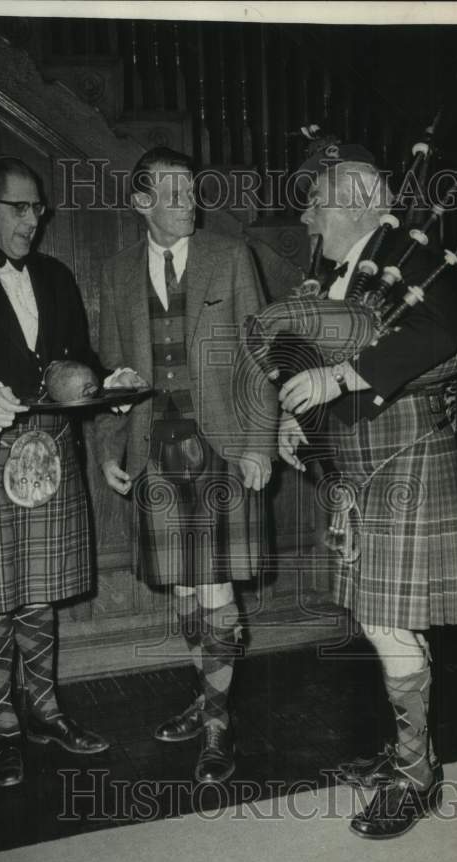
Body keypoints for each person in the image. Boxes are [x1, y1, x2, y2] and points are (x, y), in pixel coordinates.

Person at [276, 147, 457, 838]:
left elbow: (439, 330)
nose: (305, 214)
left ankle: (417, 775)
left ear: (356, 201)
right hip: (362, 462)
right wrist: (300, 424)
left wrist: (340, 380)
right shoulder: (348, 271)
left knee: (387, 621)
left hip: (405, 455)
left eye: (316, 201)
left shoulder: (413, 255)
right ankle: (411, 756)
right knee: (387, 619)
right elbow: (314, 362)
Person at [0, 157, 137, 789]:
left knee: (39, 593)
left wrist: (111, 385)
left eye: (38, 209)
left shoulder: (55, 274)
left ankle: (44, 711)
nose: (32, 220)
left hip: (51, 451)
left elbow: (78, 360)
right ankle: (3, 723)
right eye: (20, 208)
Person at [93, 147, 279, 784]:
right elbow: (113, 374)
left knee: (217, 585)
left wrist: (259, 442)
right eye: (172, 191)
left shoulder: (229, 257)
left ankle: (219, 725)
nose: (188, 201)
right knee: (183, 585)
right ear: (142, 202)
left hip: (221, 448)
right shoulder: (115, 272)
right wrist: (109, 450)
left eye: (192, 189)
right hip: (154, 451)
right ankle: (209, 697)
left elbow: (259, 356)